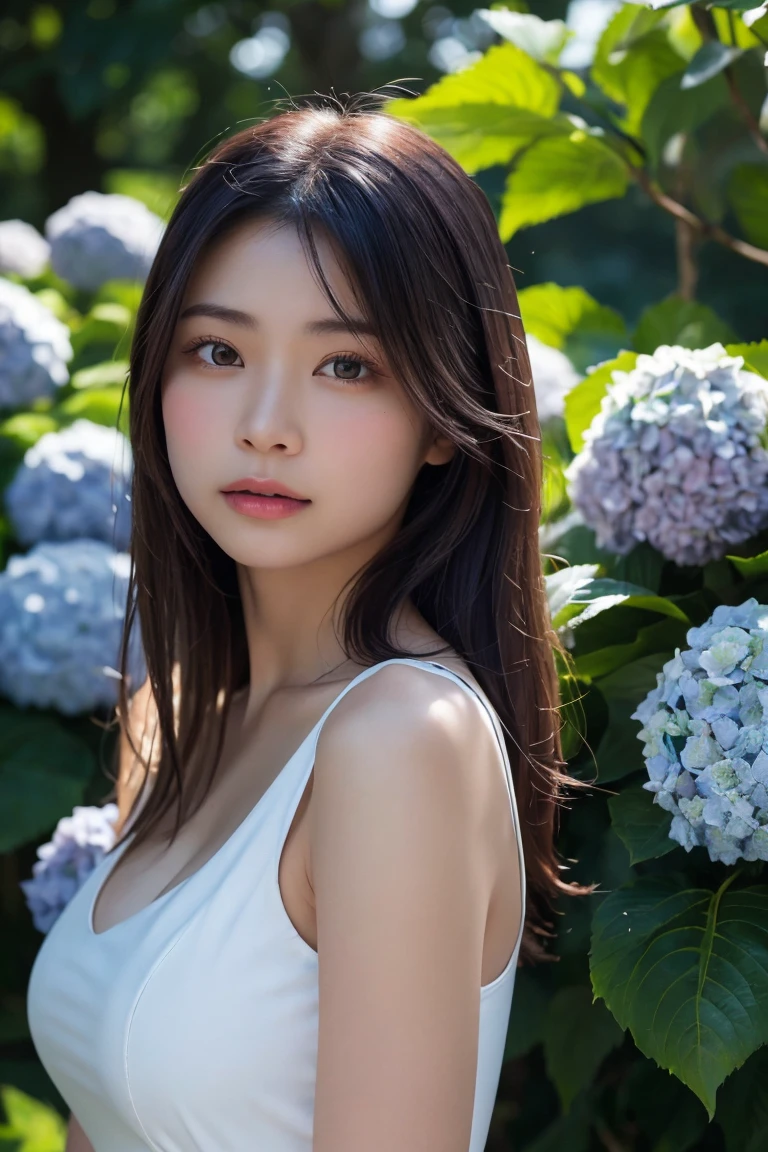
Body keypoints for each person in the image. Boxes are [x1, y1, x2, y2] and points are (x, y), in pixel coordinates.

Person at [26, 92, 576, 1152]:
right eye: (218, 353)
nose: (266, 427)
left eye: (346, 367)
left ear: (442, 420)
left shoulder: (400, 739)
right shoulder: (180, 719)